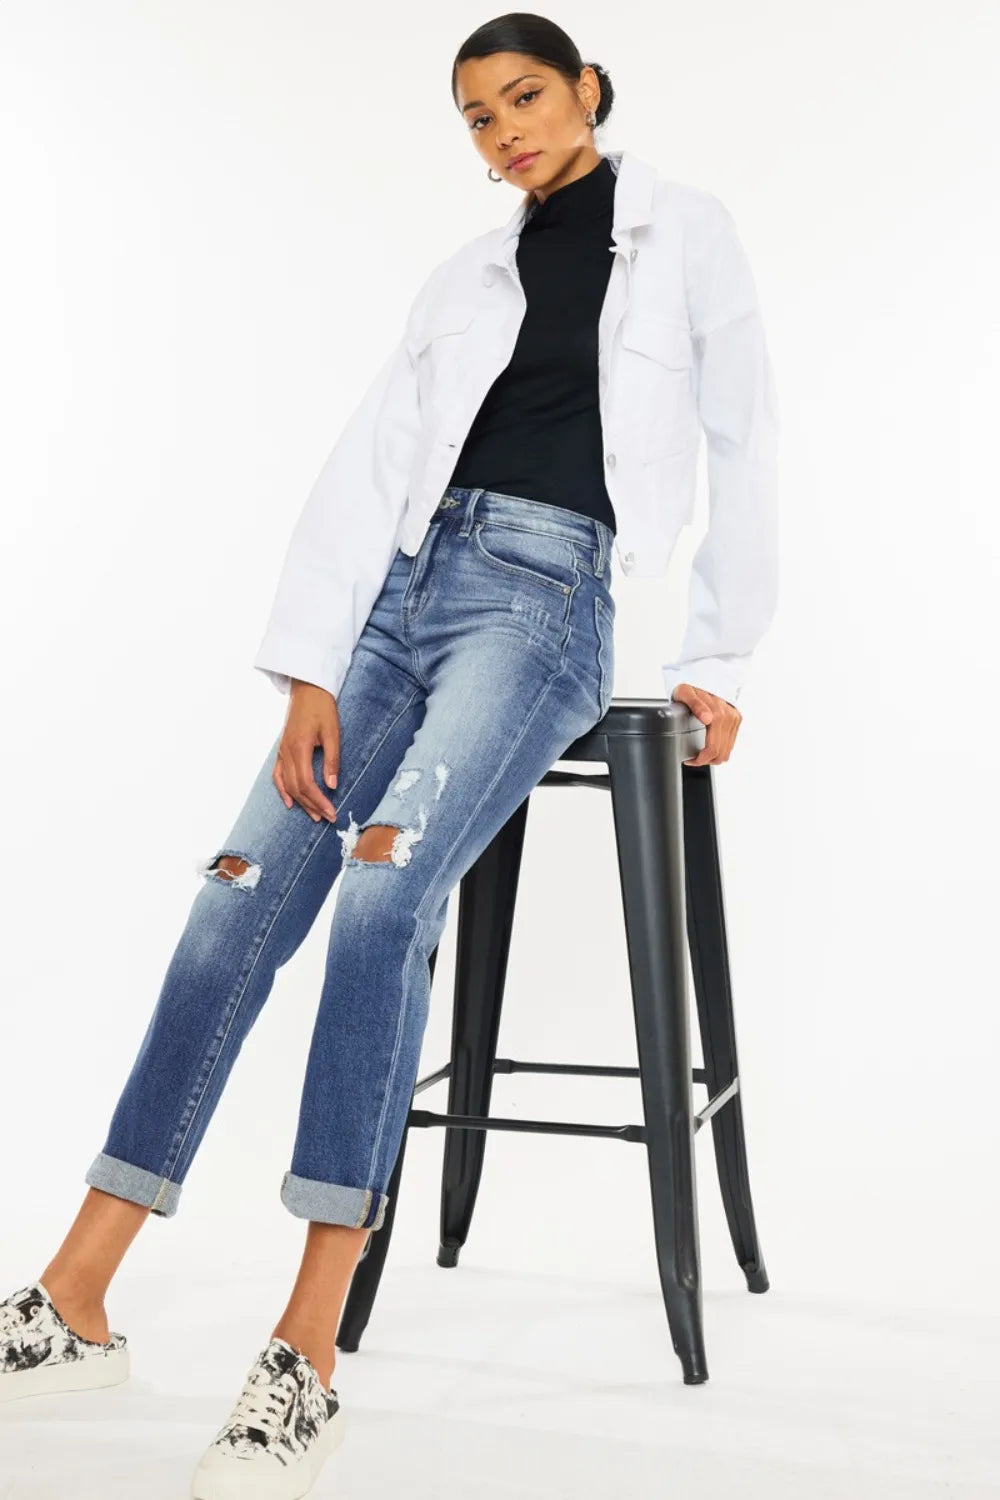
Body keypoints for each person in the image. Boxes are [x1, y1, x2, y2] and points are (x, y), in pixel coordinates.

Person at [0, 12, 779, 1498]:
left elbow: (748, 440)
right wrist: (309, 667)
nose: (506, 132)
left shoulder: (688, 235)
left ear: (587, 90)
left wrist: (718, 659)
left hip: (545, 602)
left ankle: (305, 1354)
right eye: (479, 119)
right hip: (395, 605)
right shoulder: (463, 279)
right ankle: (75, 1295)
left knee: (380, 896)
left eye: (526, 98)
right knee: (234, 895)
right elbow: (368, 466)